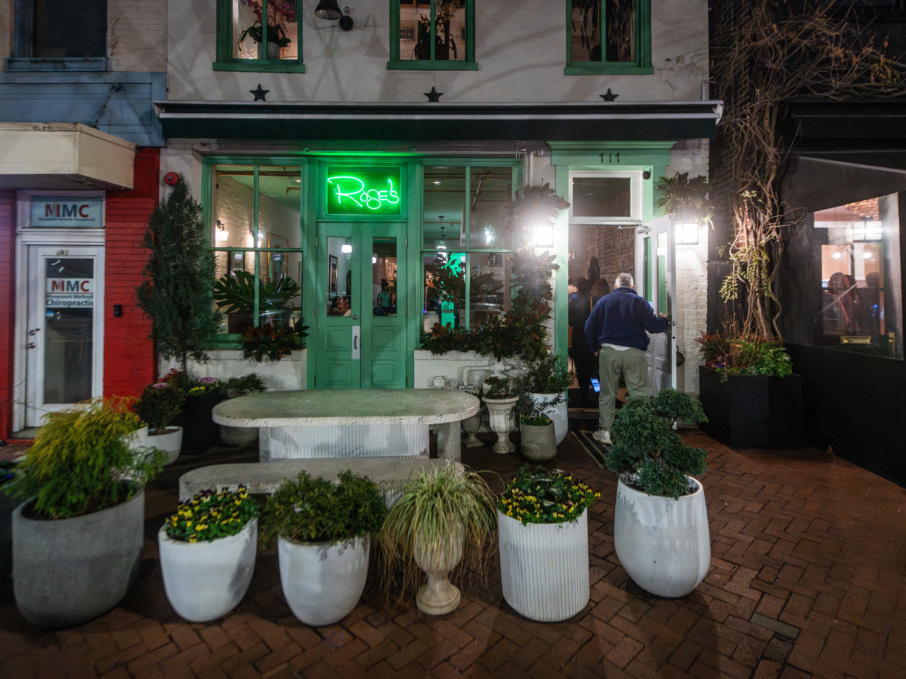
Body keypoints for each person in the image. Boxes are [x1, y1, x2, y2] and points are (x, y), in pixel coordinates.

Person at [584, 272, 668, 445]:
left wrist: (595, 348)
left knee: (607, 392)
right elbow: (653, 326)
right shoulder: (639, 302)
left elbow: (589, 326)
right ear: (633, 287)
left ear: (615, 286)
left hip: (609, 352)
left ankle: (606, 432)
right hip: (634, 352)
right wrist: (665, 321)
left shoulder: (604, 301)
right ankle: (639, 432)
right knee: (639, 393)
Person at [568, 278, 596, 408]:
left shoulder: (574, 302)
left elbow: (570, 322)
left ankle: (584, 393)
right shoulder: (595, 300)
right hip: (592, 337)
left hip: (578, 336)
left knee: (580, 366)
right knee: (593, 366)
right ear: (590, 288)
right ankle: (596, 392)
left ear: (578, 288)